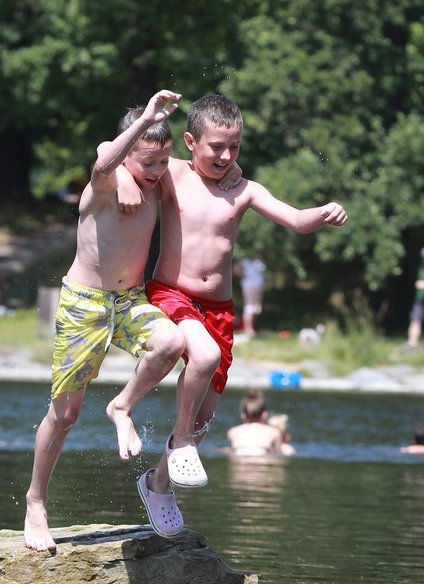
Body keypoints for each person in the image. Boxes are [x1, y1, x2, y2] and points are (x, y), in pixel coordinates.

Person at [121, 93, 347, 489]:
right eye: (217, 147)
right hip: (172, 293)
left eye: (234, 147)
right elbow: (123, 157)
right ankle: (180, 439)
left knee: (206, 413)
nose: (226, 156)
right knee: (203, 358)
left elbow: (295, 218)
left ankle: (158, 485)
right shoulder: (171, 172)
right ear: (190, 143)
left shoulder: (243, 189)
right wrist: (124, 178)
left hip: (220, 308)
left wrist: (323, 212)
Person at [24, 89, 201, 553]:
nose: (158, 173)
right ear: (130, 149)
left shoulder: (153, 179)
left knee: (171, 343)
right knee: (65, 414)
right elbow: (104, 162)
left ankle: (122, 406)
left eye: (164, 162)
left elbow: (194, 167)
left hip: (128, 301)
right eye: (148, 163)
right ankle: (36, 502)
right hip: (85, 303)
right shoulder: (106, 183)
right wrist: (139, 129)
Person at [226, 389, 284, 457]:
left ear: (243, 415)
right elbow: (279, 454)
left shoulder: (233, 432)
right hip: (262, 459)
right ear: (264, 414)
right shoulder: (274, 432)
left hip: (240, 460)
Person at [237, 256, 265, 338]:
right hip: (249, 285)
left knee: (256, 308)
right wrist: (243, 276)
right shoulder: (244, 258)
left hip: (258, 285)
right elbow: (236, 269)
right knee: (249, 307)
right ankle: (248, 330)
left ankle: (253, 328)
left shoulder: (258, 258)